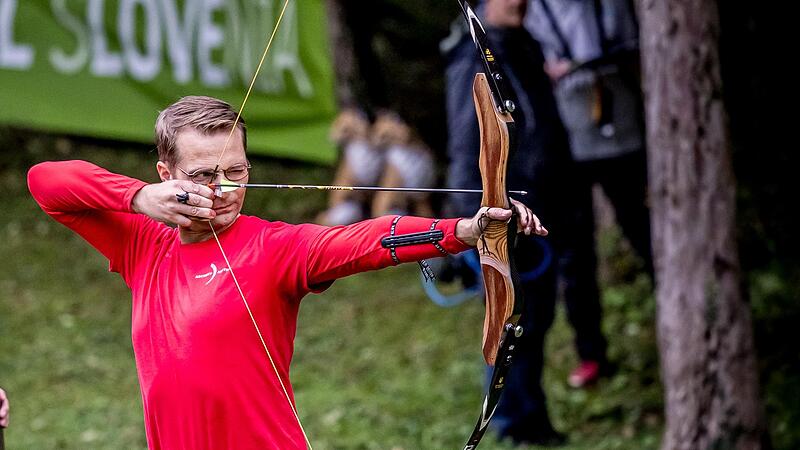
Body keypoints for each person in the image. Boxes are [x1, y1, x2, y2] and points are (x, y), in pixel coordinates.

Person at [27, 95, 547, 449]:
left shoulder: (273, 248)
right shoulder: (142, 242)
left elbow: (365, 240)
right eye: (203, 175)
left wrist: (463, 230)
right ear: (166, 175)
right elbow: (45, 181)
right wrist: (137, 197)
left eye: (236, 171)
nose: (223, 188)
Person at [443, 0, 573, 445]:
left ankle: (524, 417)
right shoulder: (473, 58)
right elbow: (466, 145)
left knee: (533, 321)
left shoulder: (525, 44)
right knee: (511, 320)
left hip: (541, 208)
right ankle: (514, 422)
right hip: (499, 216)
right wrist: (461, 230)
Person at [526, 0, 653, 387]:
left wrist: (586, 65)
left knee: (643, 231)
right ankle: (591, 354)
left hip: (620, 136)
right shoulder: (527, 10)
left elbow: (633, 49)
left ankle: (682, 325)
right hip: (565, 146)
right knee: (574, 254)